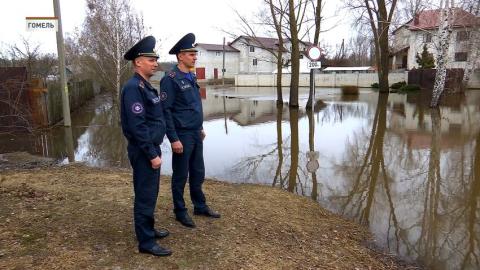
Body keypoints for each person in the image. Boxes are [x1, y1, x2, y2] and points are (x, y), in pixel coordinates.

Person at [160, 33, 220, 228]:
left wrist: (200, 127)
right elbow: (166, 111)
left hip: (195, 132)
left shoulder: (191, 76)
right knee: (180, 175)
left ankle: (199, 205)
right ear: (180, 56)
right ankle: (180, 211)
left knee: (197, 171)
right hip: (182, 134)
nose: (195, 57)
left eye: (195, 54)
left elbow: (194, 105)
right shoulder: (170, 79)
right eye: (191, 54)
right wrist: (174, 138)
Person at [120, 36, 172, 256]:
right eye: (151, 59)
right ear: (138, 62)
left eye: (156, 59)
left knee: (151, 192)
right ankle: (146, 243)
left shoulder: (145, 86)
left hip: (151, 148)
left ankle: (148, 229)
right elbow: (137, 125)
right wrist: (152, 154)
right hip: (144, 151)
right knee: (145, 194)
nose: (155, 63)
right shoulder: (133, 88)